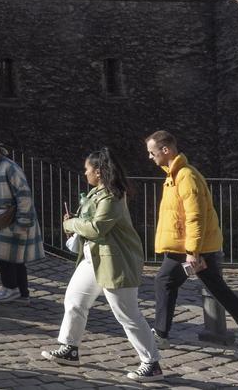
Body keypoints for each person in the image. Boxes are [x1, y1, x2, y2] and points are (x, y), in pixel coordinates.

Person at [147, 130, 238, 359]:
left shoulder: (185, 176)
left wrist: (192, 251)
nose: (150, 157)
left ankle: (161, 335)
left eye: (152, 152)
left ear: (166, 150)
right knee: (217, 291)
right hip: (191, 247)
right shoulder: (176, 176)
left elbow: (195, 216)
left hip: (188, 249)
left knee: (165, 281)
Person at [41, 148, 163, 382]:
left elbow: (98, 228)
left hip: (115, 261)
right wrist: (76, 222)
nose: (84, 173)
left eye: (87, 169)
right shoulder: (98, 192)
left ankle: (152, 363)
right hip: (93, 258)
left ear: (98, 171)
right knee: (74, 300)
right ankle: (70, 348)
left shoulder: (112, 196)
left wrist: (71, 224)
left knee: (127, 314)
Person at [0, 137, 43, 301]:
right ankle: (22, 292)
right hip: (6, 218)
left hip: (14, 219)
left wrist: (23, 223)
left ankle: (11, 288)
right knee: (15, 258)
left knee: (1, 255)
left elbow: (24, 194)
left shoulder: (8, 167)